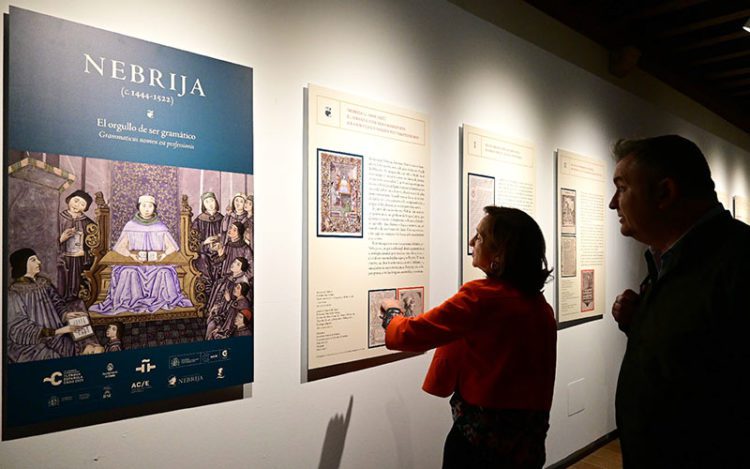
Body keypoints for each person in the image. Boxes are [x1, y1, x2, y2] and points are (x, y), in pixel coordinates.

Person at [608, 135, 749, 468]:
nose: (614, 203)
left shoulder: (739, 262)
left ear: (664, 193)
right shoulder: (668, 262)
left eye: (623, 187)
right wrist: (640, 323)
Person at [381, 206, 556, 468]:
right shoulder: (540, 306)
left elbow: (413, 334)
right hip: (526, 446)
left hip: (478, 446)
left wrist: (391, 315)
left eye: (480, 237)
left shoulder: (482, 297)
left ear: (500, 254)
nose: (472, 242)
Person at [90, 195, 192, 314]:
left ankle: (161, 300)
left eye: (150, 206)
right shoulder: (130, 225)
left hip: (156, 264)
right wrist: (131, 255)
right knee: (128, 272)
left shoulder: (160, 226)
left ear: (154, 208)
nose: (147, 209)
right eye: (144, 206)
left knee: (165, 272)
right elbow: (120, 247)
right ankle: (129, 301)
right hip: (135, 263)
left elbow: (171, 247)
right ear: (139, 207)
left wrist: (164, 255)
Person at [6, 248, 94, 362]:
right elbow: (19, 329)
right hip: (31, 344)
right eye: (33, 260)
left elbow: (57, 303)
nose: (39, 262)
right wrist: (58, 331)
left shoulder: (44, 283)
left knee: (78, 352)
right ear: (23, 264)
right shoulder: (14, 293)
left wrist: (65, 315)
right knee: (54, 359)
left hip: (57, 336)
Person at [57, 189, 96, 300]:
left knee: (76, 281)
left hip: (78, 259)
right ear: (69, 199)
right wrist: (61, 238)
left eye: (82, 204)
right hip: (61, 256)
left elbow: (93, 244)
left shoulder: (88, 223)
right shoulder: (58, 218)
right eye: (76, 201)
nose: (77, 205)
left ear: (86, 208)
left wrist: (85, 252)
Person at [205, 256, 252, 339]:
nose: (233, 264)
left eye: (237, 264)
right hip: (222, 310)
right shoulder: (228, 277)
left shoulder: (243, 282)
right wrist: (216, 306)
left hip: (231, 316)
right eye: (234, 262)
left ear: (242, 268)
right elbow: (219, 293)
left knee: (212, 326)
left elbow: (241, 305)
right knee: (210, 322)